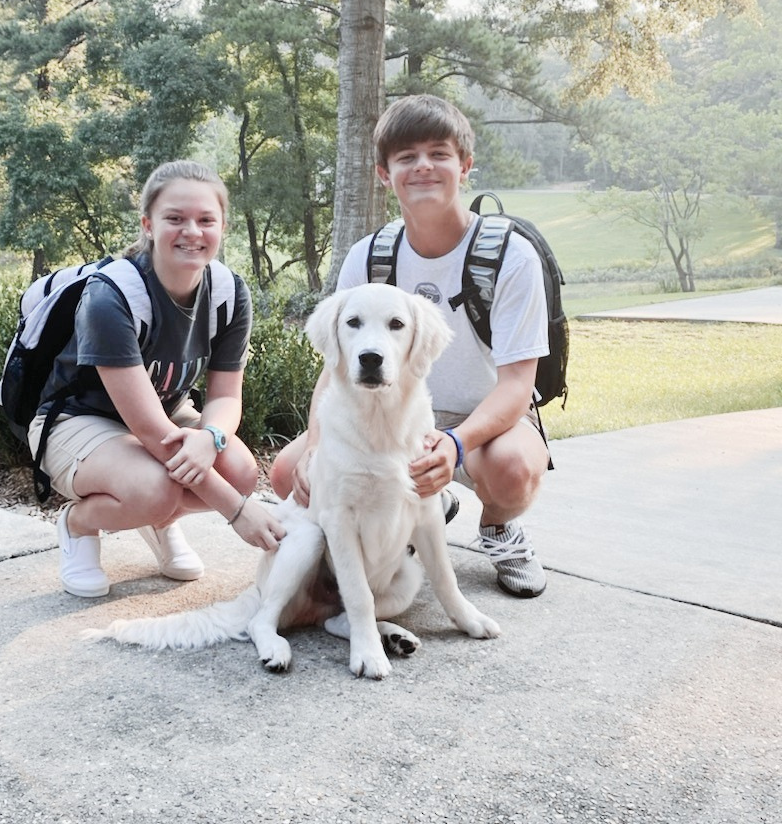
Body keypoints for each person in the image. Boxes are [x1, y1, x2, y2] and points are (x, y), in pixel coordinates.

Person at [269, 94, 551, 598]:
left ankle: (498, 526)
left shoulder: (511, 256)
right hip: (389, 415)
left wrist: (455, 443)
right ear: (385, 174)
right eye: (406, 157)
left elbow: (516, 385)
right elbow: (334, 369)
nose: (423, 166)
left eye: (439, 154)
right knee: (292, 473)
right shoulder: (370, 257)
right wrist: (313, 446)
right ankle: (424, 507)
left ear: (465, 166)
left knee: (513, 469)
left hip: (485, 420)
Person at [29, 160, 285, 598]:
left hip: (167, 416)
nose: (192, 232)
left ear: (223, 227)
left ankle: (159, 520)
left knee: (240, 471)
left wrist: (211, 439)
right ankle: (78, 524)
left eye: (206, 220)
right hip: (75, 420)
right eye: (175, 218)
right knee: (156, 487)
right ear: (148, 225)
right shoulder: (111, 296)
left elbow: (226, 397)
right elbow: (153, 433)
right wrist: (238, 511)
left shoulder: (228, 293)